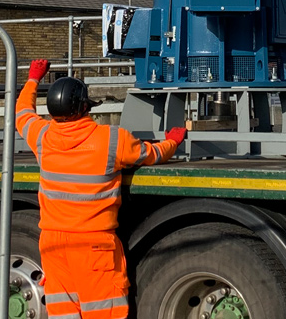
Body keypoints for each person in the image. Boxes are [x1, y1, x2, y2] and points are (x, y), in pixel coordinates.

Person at [15, 59, 184, 319]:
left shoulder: (42, 137)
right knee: (104, 313)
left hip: (53, 245)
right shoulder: (111, 139)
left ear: (51, 112)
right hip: (93, 245)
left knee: (63, 314)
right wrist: (172, 141)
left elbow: (22, 114)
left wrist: (33, 79)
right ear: (85, 107)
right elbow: (151, 154)